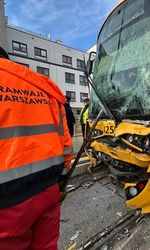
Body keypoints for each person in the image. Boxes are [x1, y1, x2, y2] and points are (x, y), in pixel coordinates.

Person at [0, 47, 74, 250]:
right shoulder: (44, 87)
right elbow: (66, 144)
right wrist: (61, 180)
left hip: (7, 205)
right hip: (48, 189)